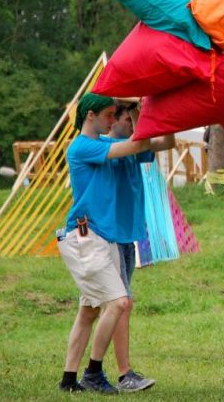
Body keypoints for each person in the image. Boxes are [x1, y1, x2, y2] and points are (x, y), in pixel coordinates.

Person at [57, 93, 162, 394]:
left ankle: (68, 380)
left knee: (90, 310)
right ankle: (93, 372)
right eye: (108, 115)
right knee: (119, 302)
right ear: (90, 115)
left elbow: (146, 144)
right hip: (87, 238)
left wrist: (140, 110)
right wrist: (139, 108)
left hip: (101, 238)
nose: (113, 120)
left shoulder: (101, 143)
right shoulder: (83, 146)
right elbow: (139, 143)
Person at [105, 101, 174, 391]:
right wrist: (142, 114)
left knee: (115, 306)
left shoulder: (135, 144)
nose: (132, 126)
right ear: (113, 121)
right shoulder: (107, 147)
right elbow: (137, 142)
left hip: (128, 235)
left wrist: (150, 111)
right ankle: (123, 373)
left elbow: (168, 141)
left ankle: (89, 371)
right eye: (127, 120)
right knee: (123, 304)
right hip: (110, 236)